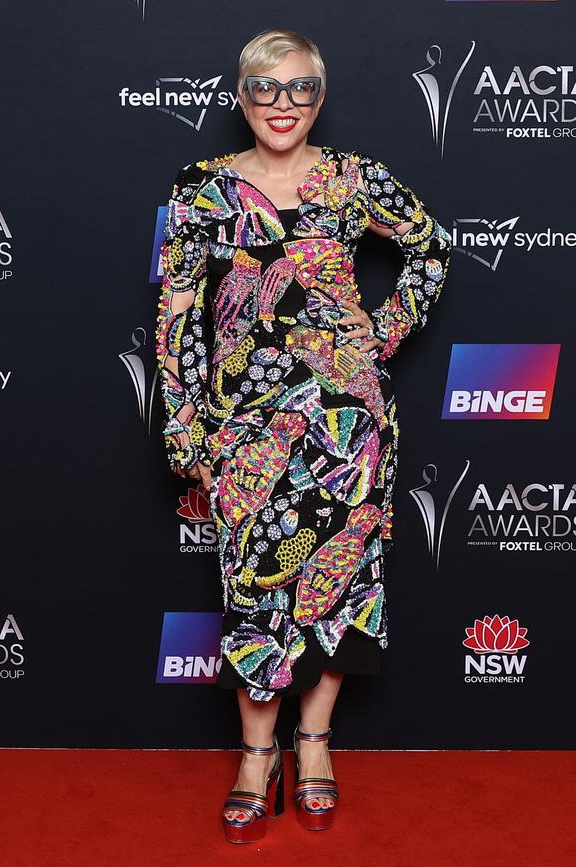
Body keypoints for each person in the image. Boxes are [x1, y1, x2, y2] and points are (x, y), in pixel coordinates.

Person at [155, 28, 452, 843]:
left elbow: (430, 252)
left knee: (344, 587)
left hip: (346, 424)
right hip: (246, 430)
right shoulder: (202, 190)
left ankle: (314, 741)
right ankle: (258, 755)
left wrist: (378, 334)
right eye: (265, 87)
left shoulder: (354, 179)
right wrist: (185, 421)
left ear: (319, 95)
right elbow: (177, 313)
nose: (282, 104)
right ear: (240, 96)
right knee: (256, 592)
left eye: (300, 88)